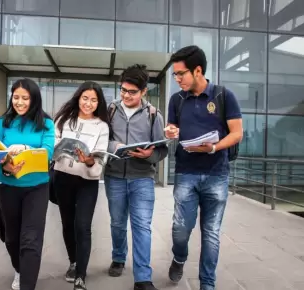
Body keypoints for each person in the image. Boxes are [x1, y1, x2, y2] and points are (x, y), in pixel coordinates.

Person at [164, 45, 243, 290]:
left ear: (198, 70)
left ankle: (207, 283)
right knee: (180, 229)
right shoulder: (176, 99)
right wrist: (170, 132)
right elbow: (171, 129)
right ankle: (179, 257)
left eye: (181, 74)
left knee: (211, 232)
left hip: (216, 175)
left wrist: (214, 147)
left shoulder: (223, 96)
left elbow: (237, 133)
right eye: (174, 75)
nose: (177, 79)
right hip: (186, 172)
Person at [104, 64, 168, 290]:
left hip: (143, 178)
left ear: (143, 92)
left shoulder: (153, 115)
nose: (126, 95)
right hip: (115, 176)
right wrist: (116, 145)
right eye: (123, 90)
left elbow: (163, 149)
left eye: (132, 92)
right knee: (118, 223)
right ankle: (119, 257)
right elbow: (101, 139)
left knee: (142, 226)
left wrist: (150, 154)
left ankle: (142, 278)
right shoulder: (110, 110)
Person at [0, 78, 55, 290]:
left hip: (37, 188)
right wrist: (4, 167)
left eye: (25, 98)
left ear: (34, 99)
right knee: (12, 239)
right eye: (16, 97)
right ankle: (20, 270)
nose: (19, 102)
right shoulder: (3, 122)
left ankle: (27, 284)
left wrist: (25, 147)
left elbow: (48, 152)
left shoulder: (46, 123)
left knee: (31, 240)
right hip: (7, 188)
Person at [52, 81, 111, 290]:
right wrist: (57, 151)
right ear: (78, 98)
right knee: (68, 223)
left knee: (82, 226)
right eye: (85, 98)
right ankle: (73, 262)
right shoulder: (63, 120)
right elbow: (53, 145)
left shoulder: (102, 126)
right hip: (62, 178)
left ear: (98, 103)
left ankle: (81, 276)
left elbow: (100, 156)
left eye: (94, 100)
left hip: (87, 182)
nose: (88, 103)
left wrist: (89, 160)